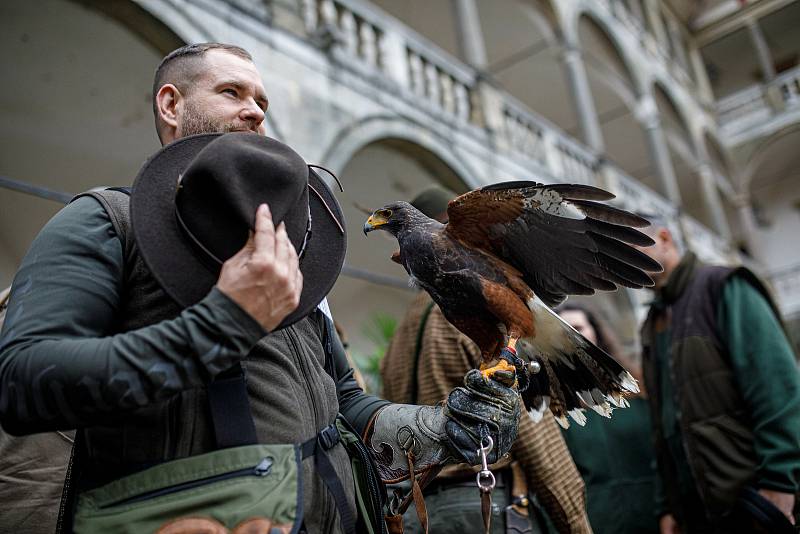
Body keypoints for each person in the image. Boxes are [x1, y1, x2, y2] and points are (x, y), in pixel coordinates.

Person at [0, 43, 521, 533]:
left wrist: (440, 429)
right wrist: (226, 320)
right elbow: (23, 381)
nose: (254, 110)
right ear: (171, 104)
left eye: (262, 100)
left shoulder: (296, 251)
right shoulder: (108, 221)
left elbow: (340, 401)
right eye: (232, 92)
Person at [380, 185, 593, 534]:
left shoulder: (396, 343)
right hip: (485, 503)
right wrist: (577, 524)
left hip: (426, 513)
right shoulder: (463, 310)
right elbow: (529, 433)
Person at [635, 215, 800, 534]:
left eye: (627, 247)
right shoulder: (651, 325)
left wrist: (781, 483)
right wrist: (668, 506)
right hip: (699, 516)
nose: (621, 261)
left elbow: (777, 390)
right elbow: (662, 428)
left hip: (756, 504)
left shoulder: (723, 286)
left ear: (665, 239)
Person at [558, 303, 658, 534]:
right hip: (598, 523)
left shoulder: (639, 393)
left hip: (655, 516)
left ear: (596, 332)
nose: (571, 336)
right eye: (562, 332)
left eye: (578, 327)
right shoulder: (556, 409)